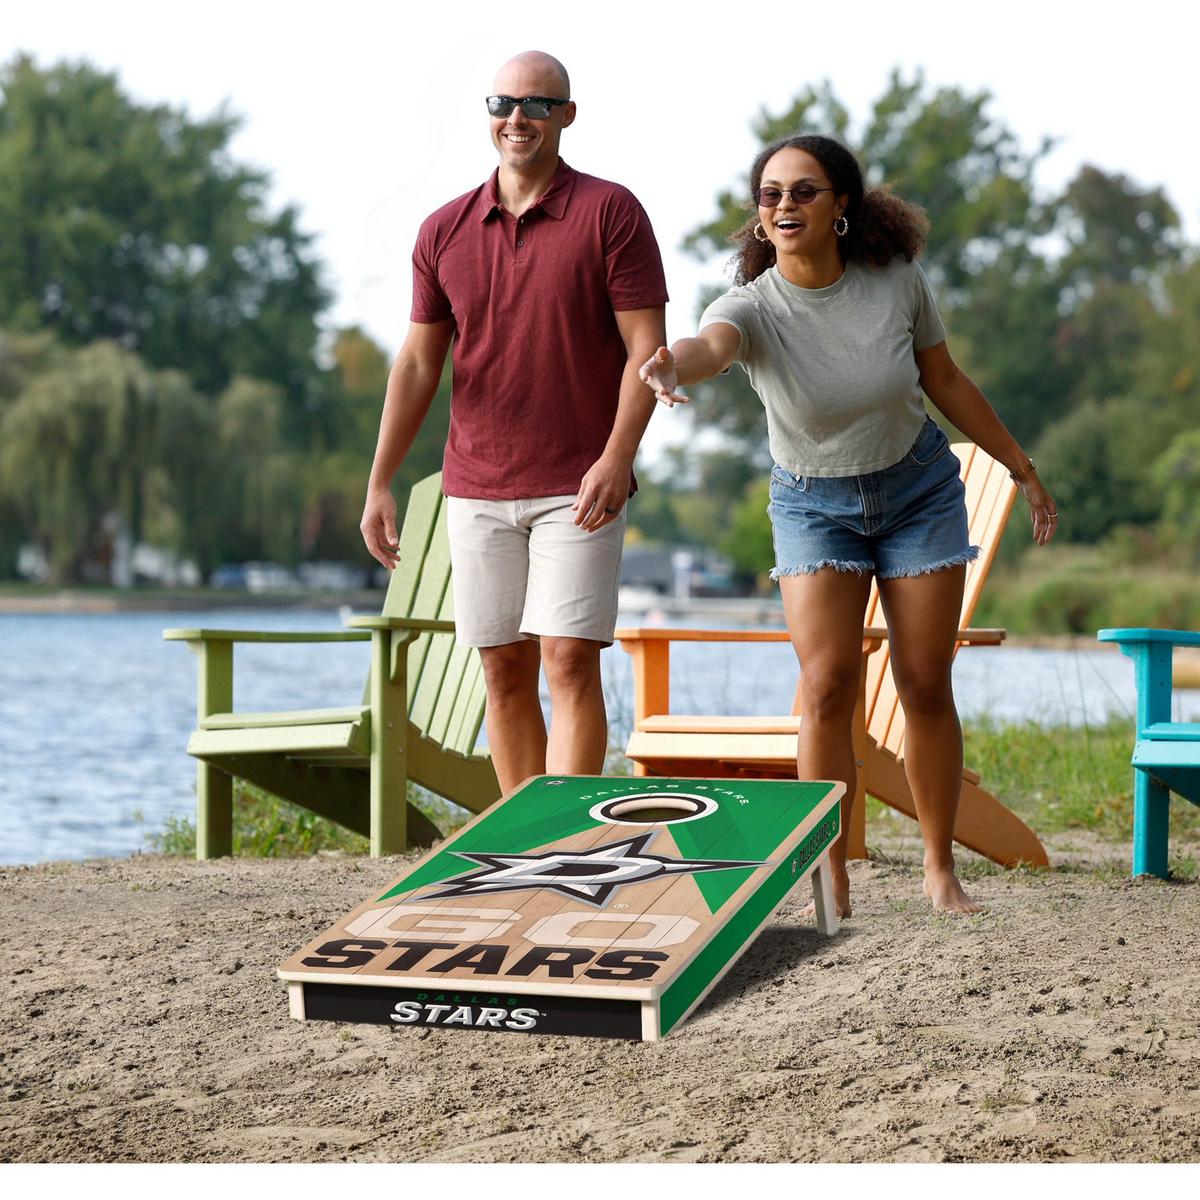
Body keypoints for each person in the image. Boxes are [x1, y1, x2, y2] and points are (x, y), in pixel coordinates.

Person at [640, 134, 1057, 915]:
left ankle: (939, 868)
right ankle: (829, 874)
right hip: (812, 505)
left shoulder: (896, 281)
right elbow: (710, 347)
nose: (785, 205)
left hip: (918, 493)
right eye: (770, 194)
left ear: (840, 205)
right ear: (758, 216)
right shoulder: (751, 306)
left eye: (804, 190)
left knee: (924, 683)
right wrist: (670, 365)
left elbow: (944, 379)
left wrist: (1019, 466)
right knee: (828, 685)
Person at [360, 51, 667, 796]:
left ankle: (568, 836)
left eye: (537, 104)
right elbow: (417, 364)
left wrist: (617, 457)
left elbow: (647, 351)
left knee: (568, 659)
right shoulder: (443, 229)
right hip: (476, 484)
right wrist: (380, 482)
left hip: (579, 483)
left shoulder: (610, 212)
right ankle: (526, 840)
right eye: (503, 103)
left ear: (568, 116)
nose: (517, 118)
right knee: (501, 667)